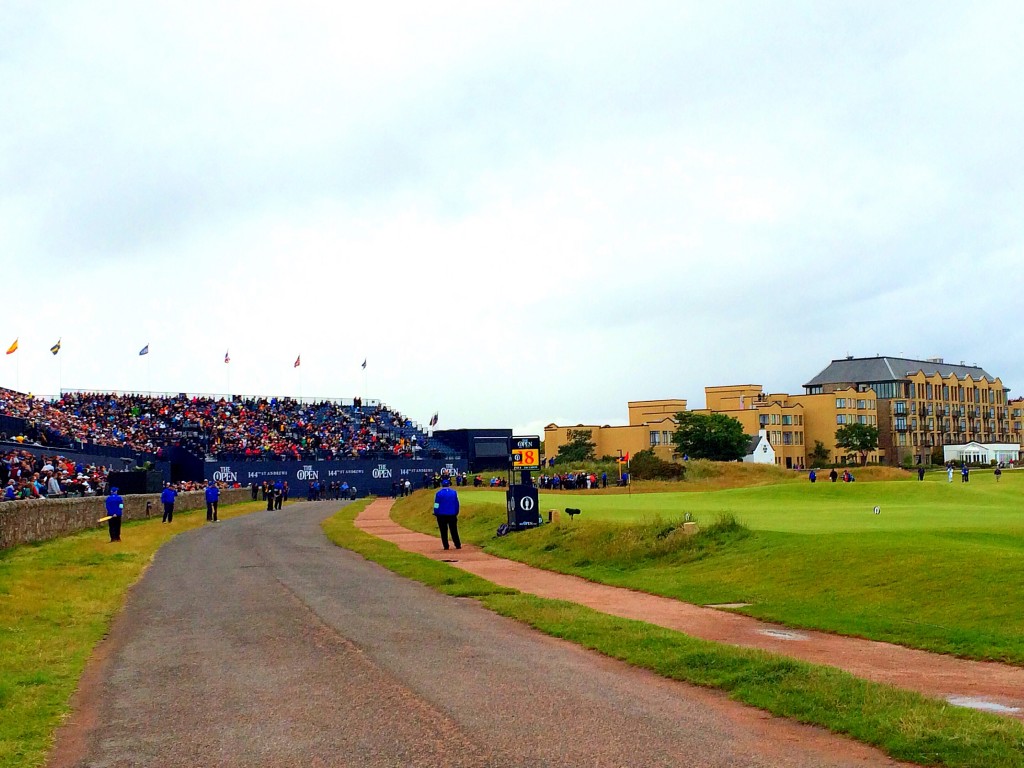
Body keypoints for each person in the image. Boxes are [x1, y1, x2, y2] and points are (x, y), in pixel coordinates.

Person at [433, 477, 461, 551]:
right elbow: (456, 503)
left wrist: (436, 512)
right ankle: (457, 544)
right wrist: (456, 511)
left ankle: (446, 545)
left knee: (443, 531)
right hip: (452, 514)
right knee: (454, 530)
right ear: (449, 484)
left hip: (441, 514)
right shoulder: (453, 492)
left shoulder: (439, 493)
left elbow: (436, 504)